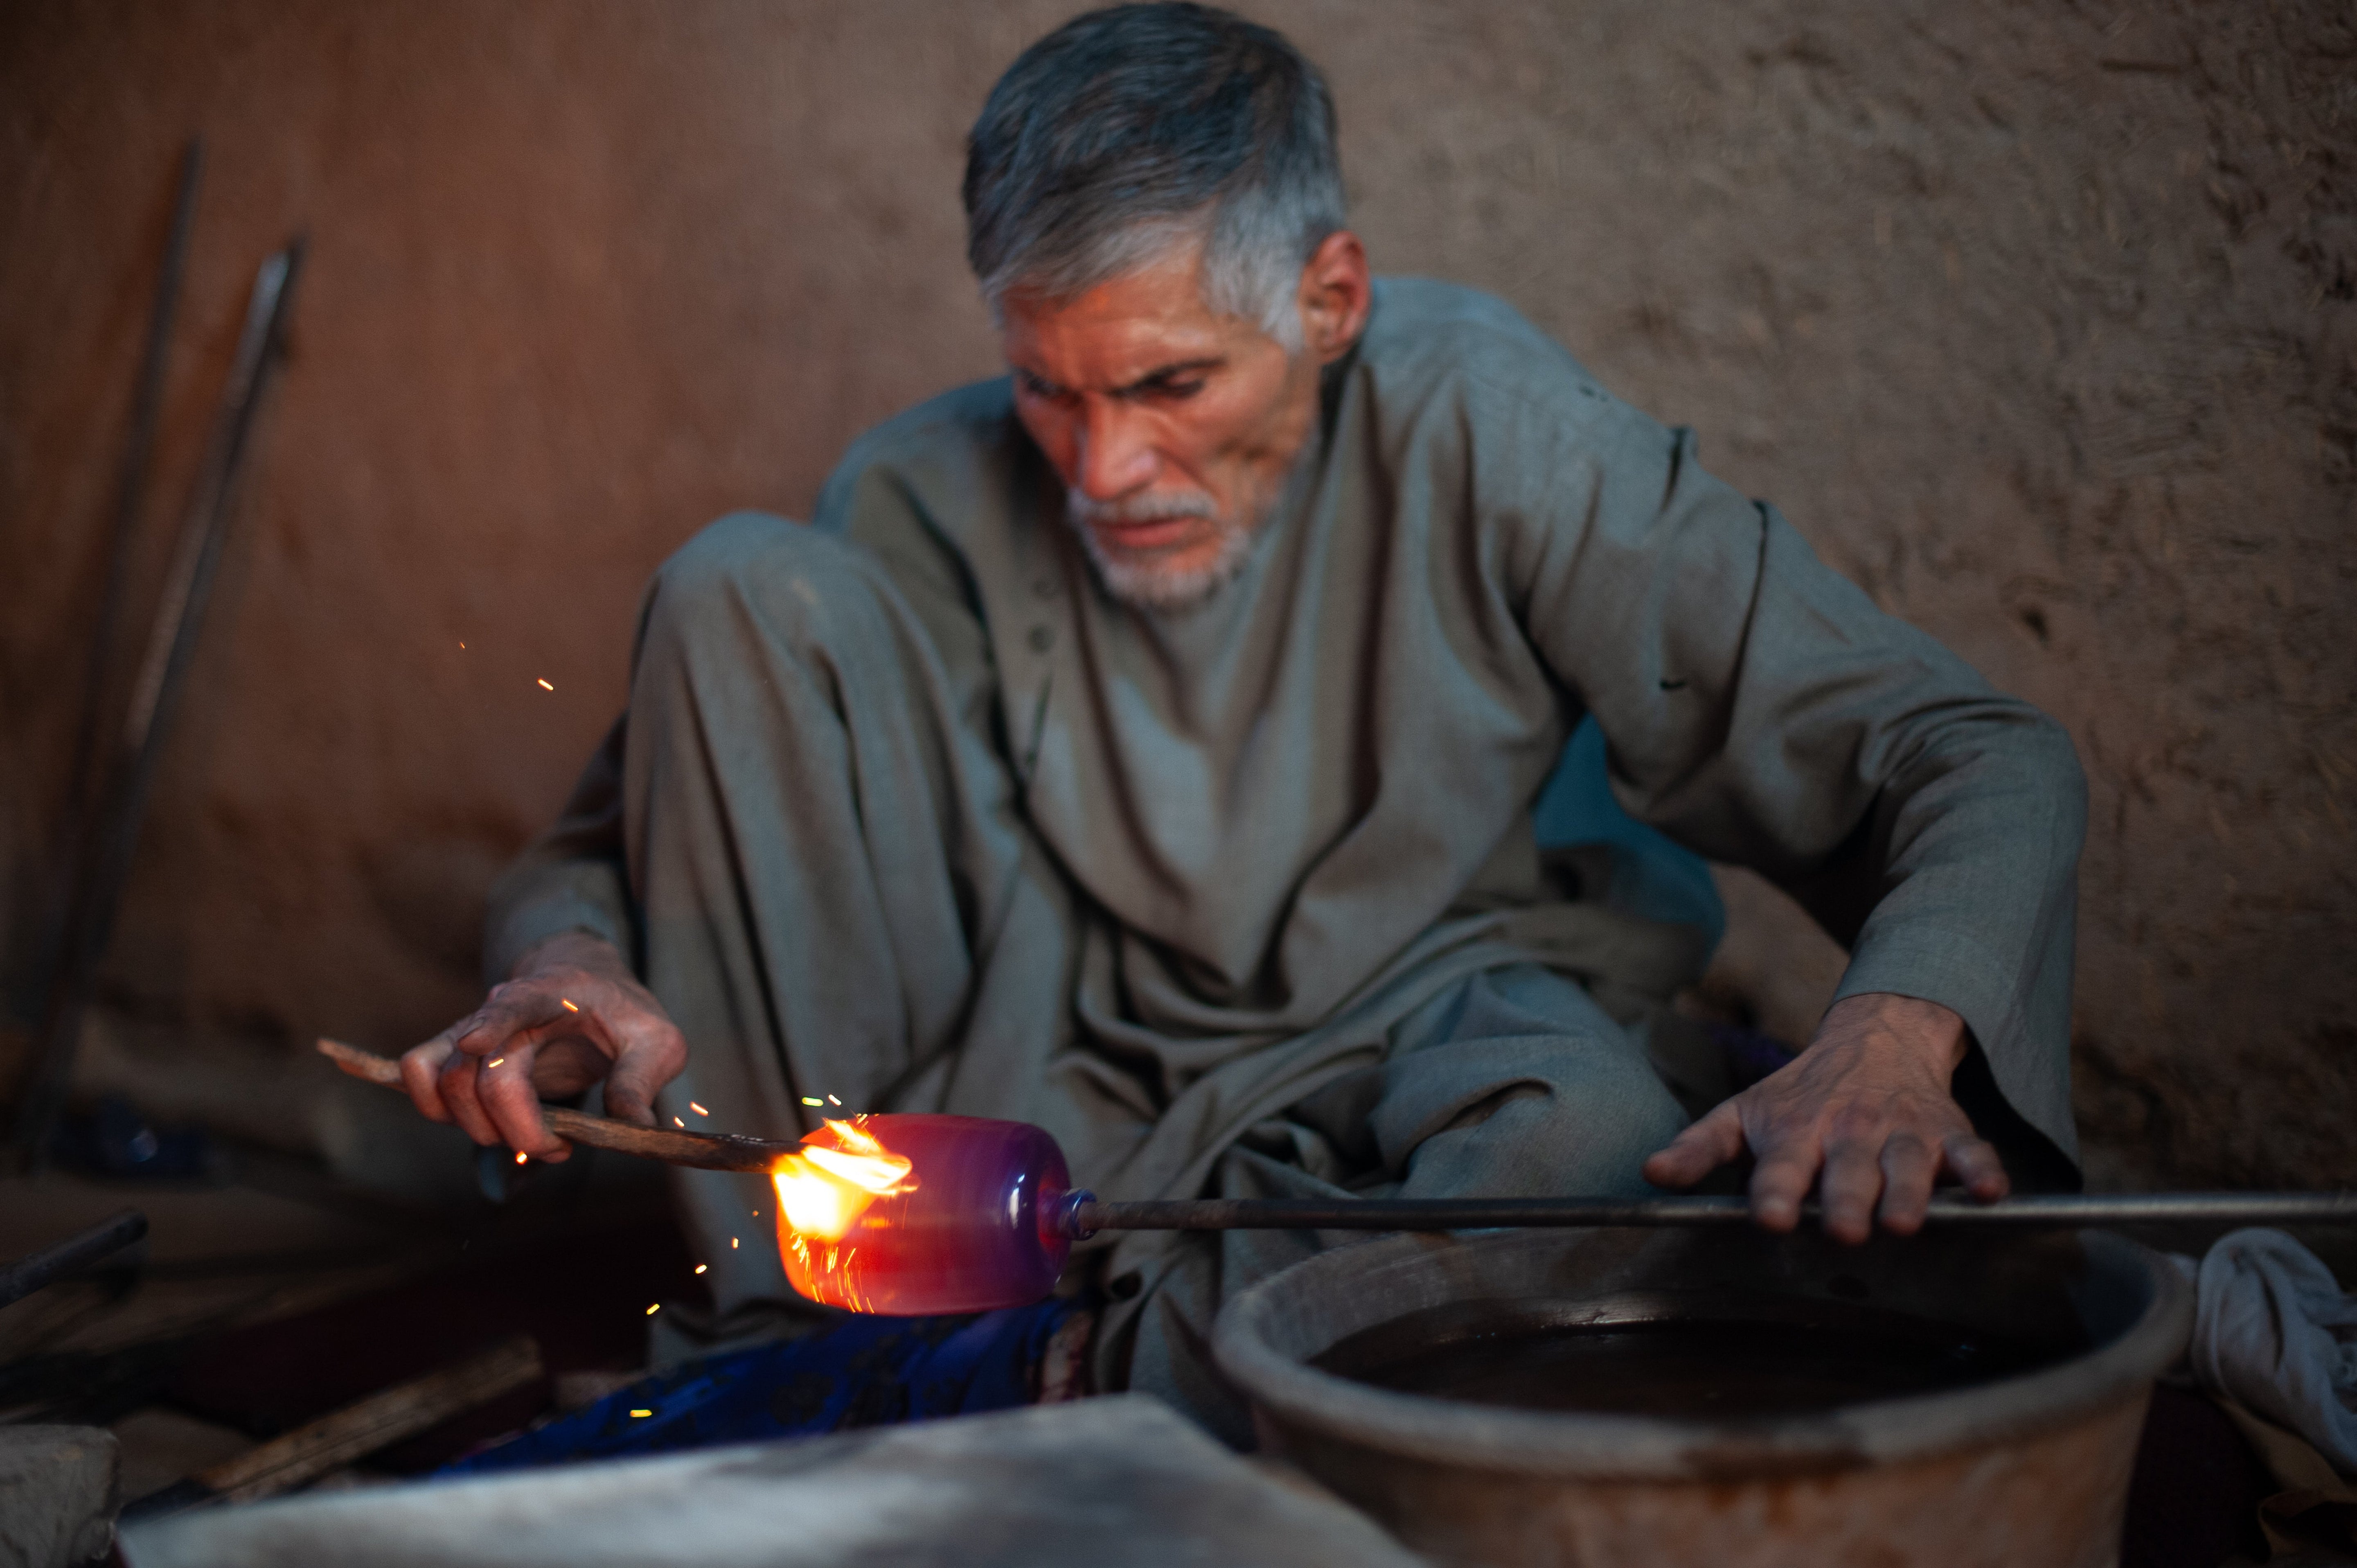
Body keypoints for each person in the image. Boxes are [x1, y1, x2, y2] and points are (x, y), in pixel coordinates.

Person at [397, 2, 2086, 1442]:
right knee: (737, 583)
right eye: (1048, 388)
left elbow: (1968, 750)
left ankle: (1019, 1373)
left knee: (1588, 1158)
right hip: (1037, 1061)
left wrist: (1894, 1034)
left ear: (1330, 301)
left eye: (1169, 387)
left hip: (1432, 1010)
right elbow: (601, 862)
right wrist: (566, 967)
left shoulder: (1498, 432)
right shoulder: (923, 493)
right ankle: (833, 1343)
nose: (1104, 469)